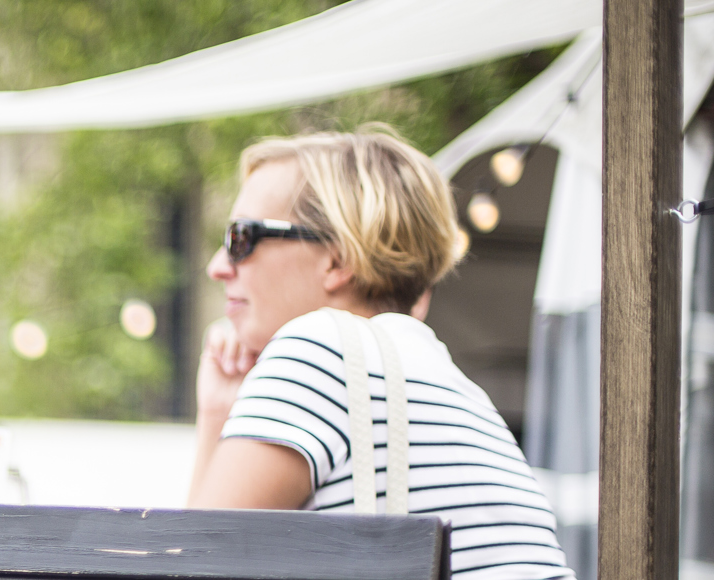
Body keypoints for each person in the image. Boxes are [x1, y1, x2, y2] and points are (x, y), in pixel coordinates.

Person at [189, 125, 572, 579]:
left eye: (241, 238)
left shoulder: (321, 349)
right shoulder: (454, 387)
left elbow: (187, 563)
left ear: (338, 259)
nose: (217, 267)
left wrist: (212, 420)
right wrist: (221, 408)